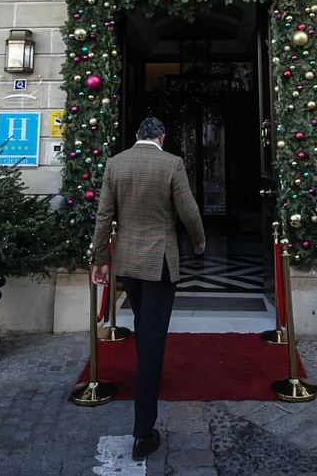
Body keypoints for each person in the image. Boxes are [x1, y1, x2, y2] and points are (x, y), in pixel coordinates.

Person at [90, 117, 205, 462]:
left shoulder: (115, 163)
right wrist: (199, 239)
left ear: (136, 135)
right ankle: (143, 432)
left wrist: (100, 258)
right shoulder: (171, 163)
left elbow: (103, 216)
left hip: (128, 263)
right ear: (162, 138)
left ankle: (145, 373)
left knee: (144, 328)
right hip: (160, 264)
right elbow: (188, 209)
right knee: (153, 341)